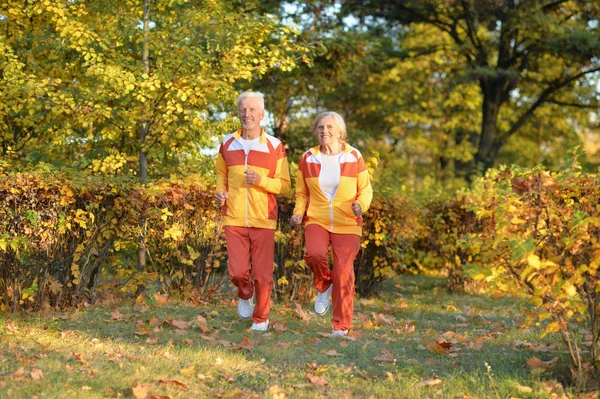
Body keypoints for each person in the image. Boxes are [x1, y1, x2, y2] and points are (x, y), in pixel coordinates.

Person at [290, 111, 373, 336]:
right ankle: (324, 284)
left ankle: (341, 326)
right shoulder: (308, 158)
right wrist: (299, 212)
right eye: (320, 127)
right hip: (317, 218)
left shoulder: (354, 156)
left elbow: (365, 188)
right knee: (314, 254)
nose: (324, 131)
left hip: (348, 221)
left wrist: (360, 205)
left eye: (329, 127)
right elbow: (301, 192)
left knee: (344, 273)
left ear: (340, 132)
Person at [215, 92, 291, 332]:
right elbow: (221, 176)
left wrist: (260, 180)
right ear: (239, 112)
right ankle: (244, 293)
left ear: (262, 115)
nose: (247, 114)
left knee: (262, 274)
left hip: (263, 218)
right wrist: (219, 192)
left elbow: (285, 185)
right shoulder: (227, 143)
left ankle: (261, 318)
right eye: (243, 110)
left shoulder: (275, 146)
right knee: (238, 272)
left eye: (252, 110)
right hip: (234, 216)